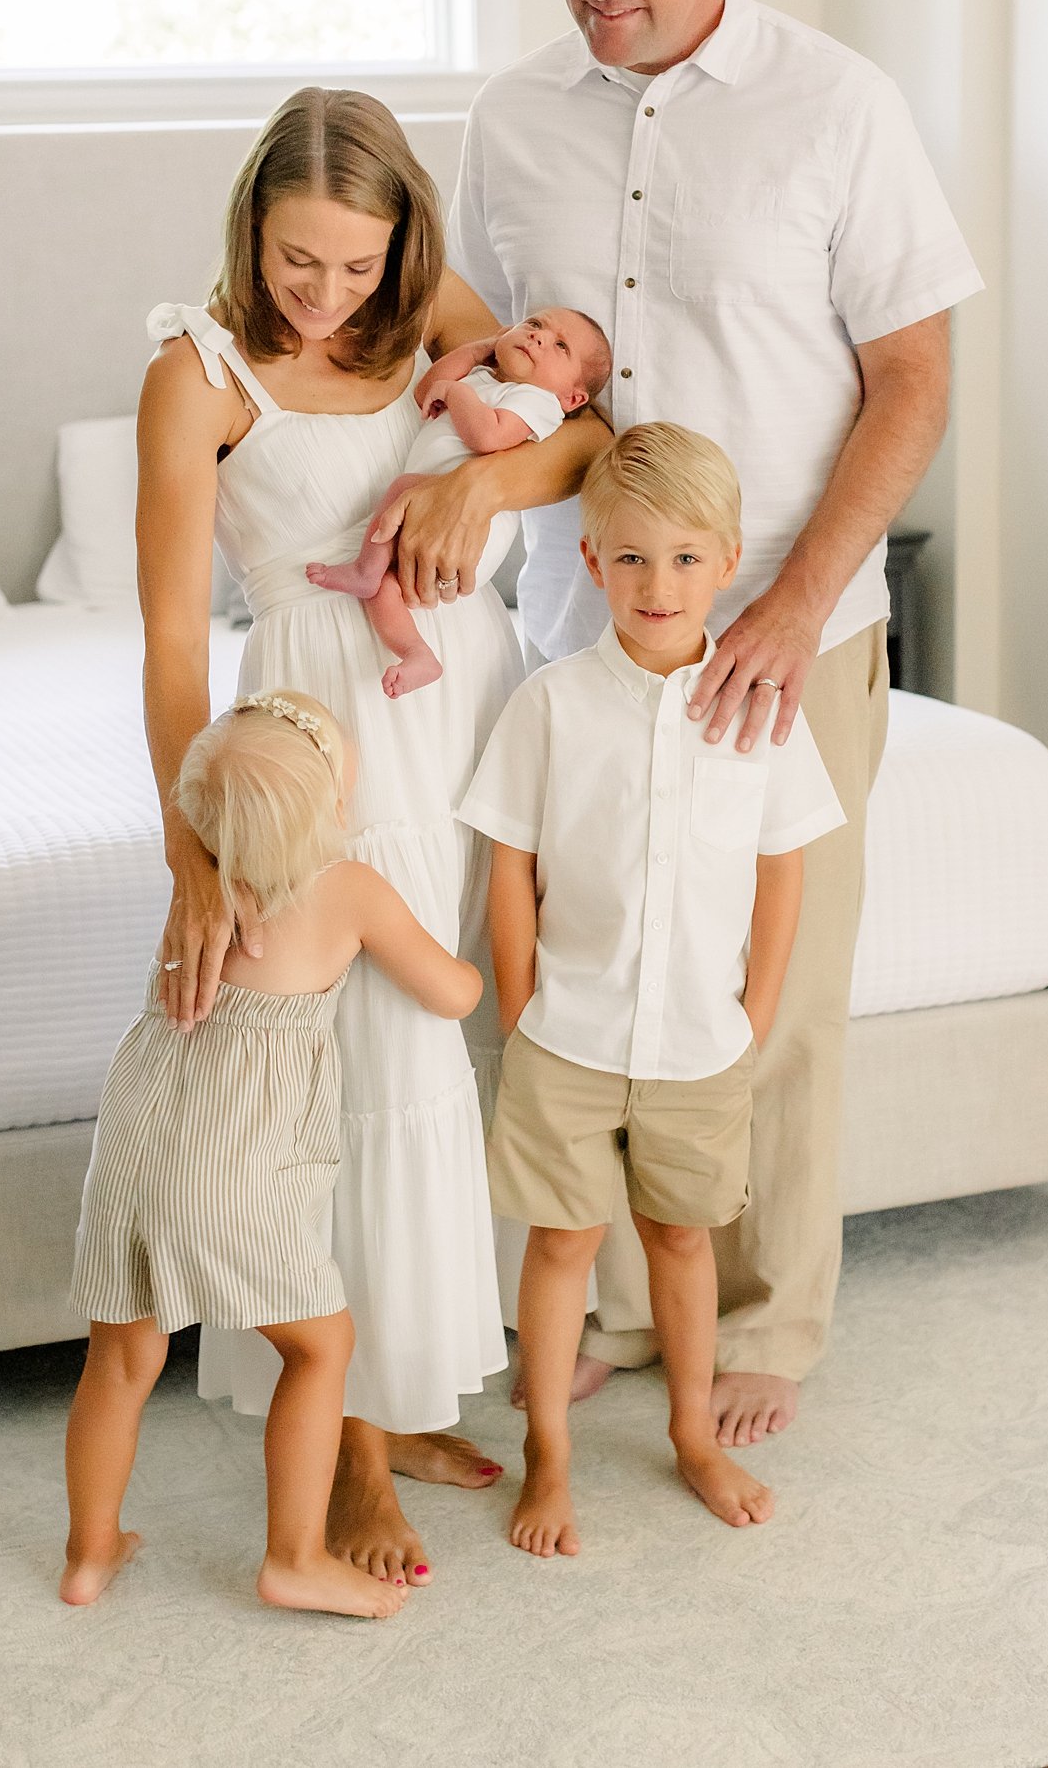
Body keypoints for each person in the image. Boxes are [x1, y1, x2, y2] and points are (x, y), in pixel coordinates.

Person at [447, 0, 984, 1449]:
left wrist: (797, 599)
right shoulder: (514, 119)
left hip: (783, 637)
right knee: (579, 968)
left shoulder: (839, 107)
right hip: (574, 641)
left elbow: (913, 380)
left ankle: (770, 1320)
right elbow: (499, 363)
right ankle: (601, 1291)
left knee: (773, 989)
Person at [137, 87, 609, 1586]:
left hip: (471, 704)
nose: (331, 294)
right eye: (299, 263)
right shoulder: (196, 372)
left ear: (401, 235)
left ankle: (399, 1401)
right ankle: (345, 1456)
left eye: (357, 265)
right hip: (319, 737)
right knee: (345, 1070)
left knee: (456, 1047)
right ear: (251, 227)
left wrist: (477, 479)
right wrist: (194, 856)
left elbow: (587, 442)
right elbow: (163, 649)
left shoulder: (426, 310)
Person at [461, 426, 845, 1557]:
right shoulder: (551, 705)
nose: (657, 584)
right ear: (589, 563)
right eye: (630, 560)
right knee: (562, 1246)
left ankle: (691, 1431)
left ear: (726, 561)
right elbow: (511, 872)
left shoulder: (761, 709)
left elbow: (784, 869)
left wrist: (756, 1012)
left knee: (682, 1244)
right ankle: (548, 1459)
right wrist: (527, 1005)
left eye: (684, 559)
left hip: (699, 1044)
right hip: (565, 1038)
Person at [62, 690, 483, 1616]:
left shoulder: (201, 883)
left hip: (134, 1133)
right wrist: (476, 968)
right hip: (235, 1163)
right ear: (335, 805)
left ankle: (90, 1554)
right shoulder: (349, 888)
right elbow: (451, 993)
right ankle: (294, 1555)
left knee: (122, 1357)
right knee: (322, 1343)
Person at [306, 308, 611, 697]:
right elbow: (426, 390)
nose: (538, 337)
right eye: (534, 324)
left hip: (473, 522)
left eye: (560, 345)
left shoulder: (538, 402)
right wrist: (480, 350)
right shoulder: (483, 377)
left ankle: (365, 569)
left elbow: (488, 435)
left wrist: (456, 392)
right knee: (386, 590)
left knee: (402, 488)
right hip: (432, 501)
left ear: (572, 397)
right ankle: (416, 653)